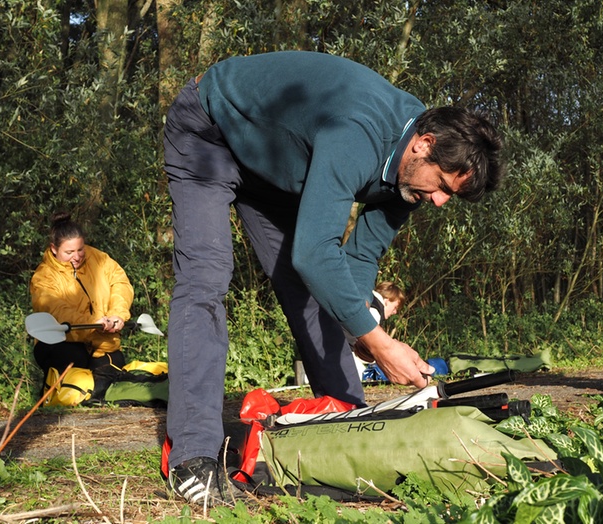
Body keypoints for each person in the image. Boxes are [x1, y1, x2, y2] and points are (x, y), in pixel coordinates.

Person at [162, 50, 504, 506]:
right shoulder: (358, 133)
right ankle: (192, 458)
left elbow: (357, 262)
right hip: (212, 132)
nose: (439, 202)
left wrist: (362, 329)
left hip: (279, 171)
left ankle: (350, 421)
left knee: (314, 293)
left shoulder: (408, 180)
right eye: (441, 185)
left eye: (449, 196)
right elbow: (314, 253)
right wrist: (382, 344)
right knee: (206, 280)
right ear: (422, 144)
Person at [30, 212, 135, 396]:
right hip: (63, 343)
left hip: (99, 338)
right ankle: (52, 395)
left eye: (80, 249)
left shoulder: (99, 258)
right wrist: (96, 322)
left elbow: (120, 282)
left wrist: (117, 314)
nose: (77, 257)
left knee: (113, 371)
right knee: (74, 359)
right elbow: (56, 310)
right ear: (54, 249)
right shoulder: (43, 277)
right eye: (69, 252)